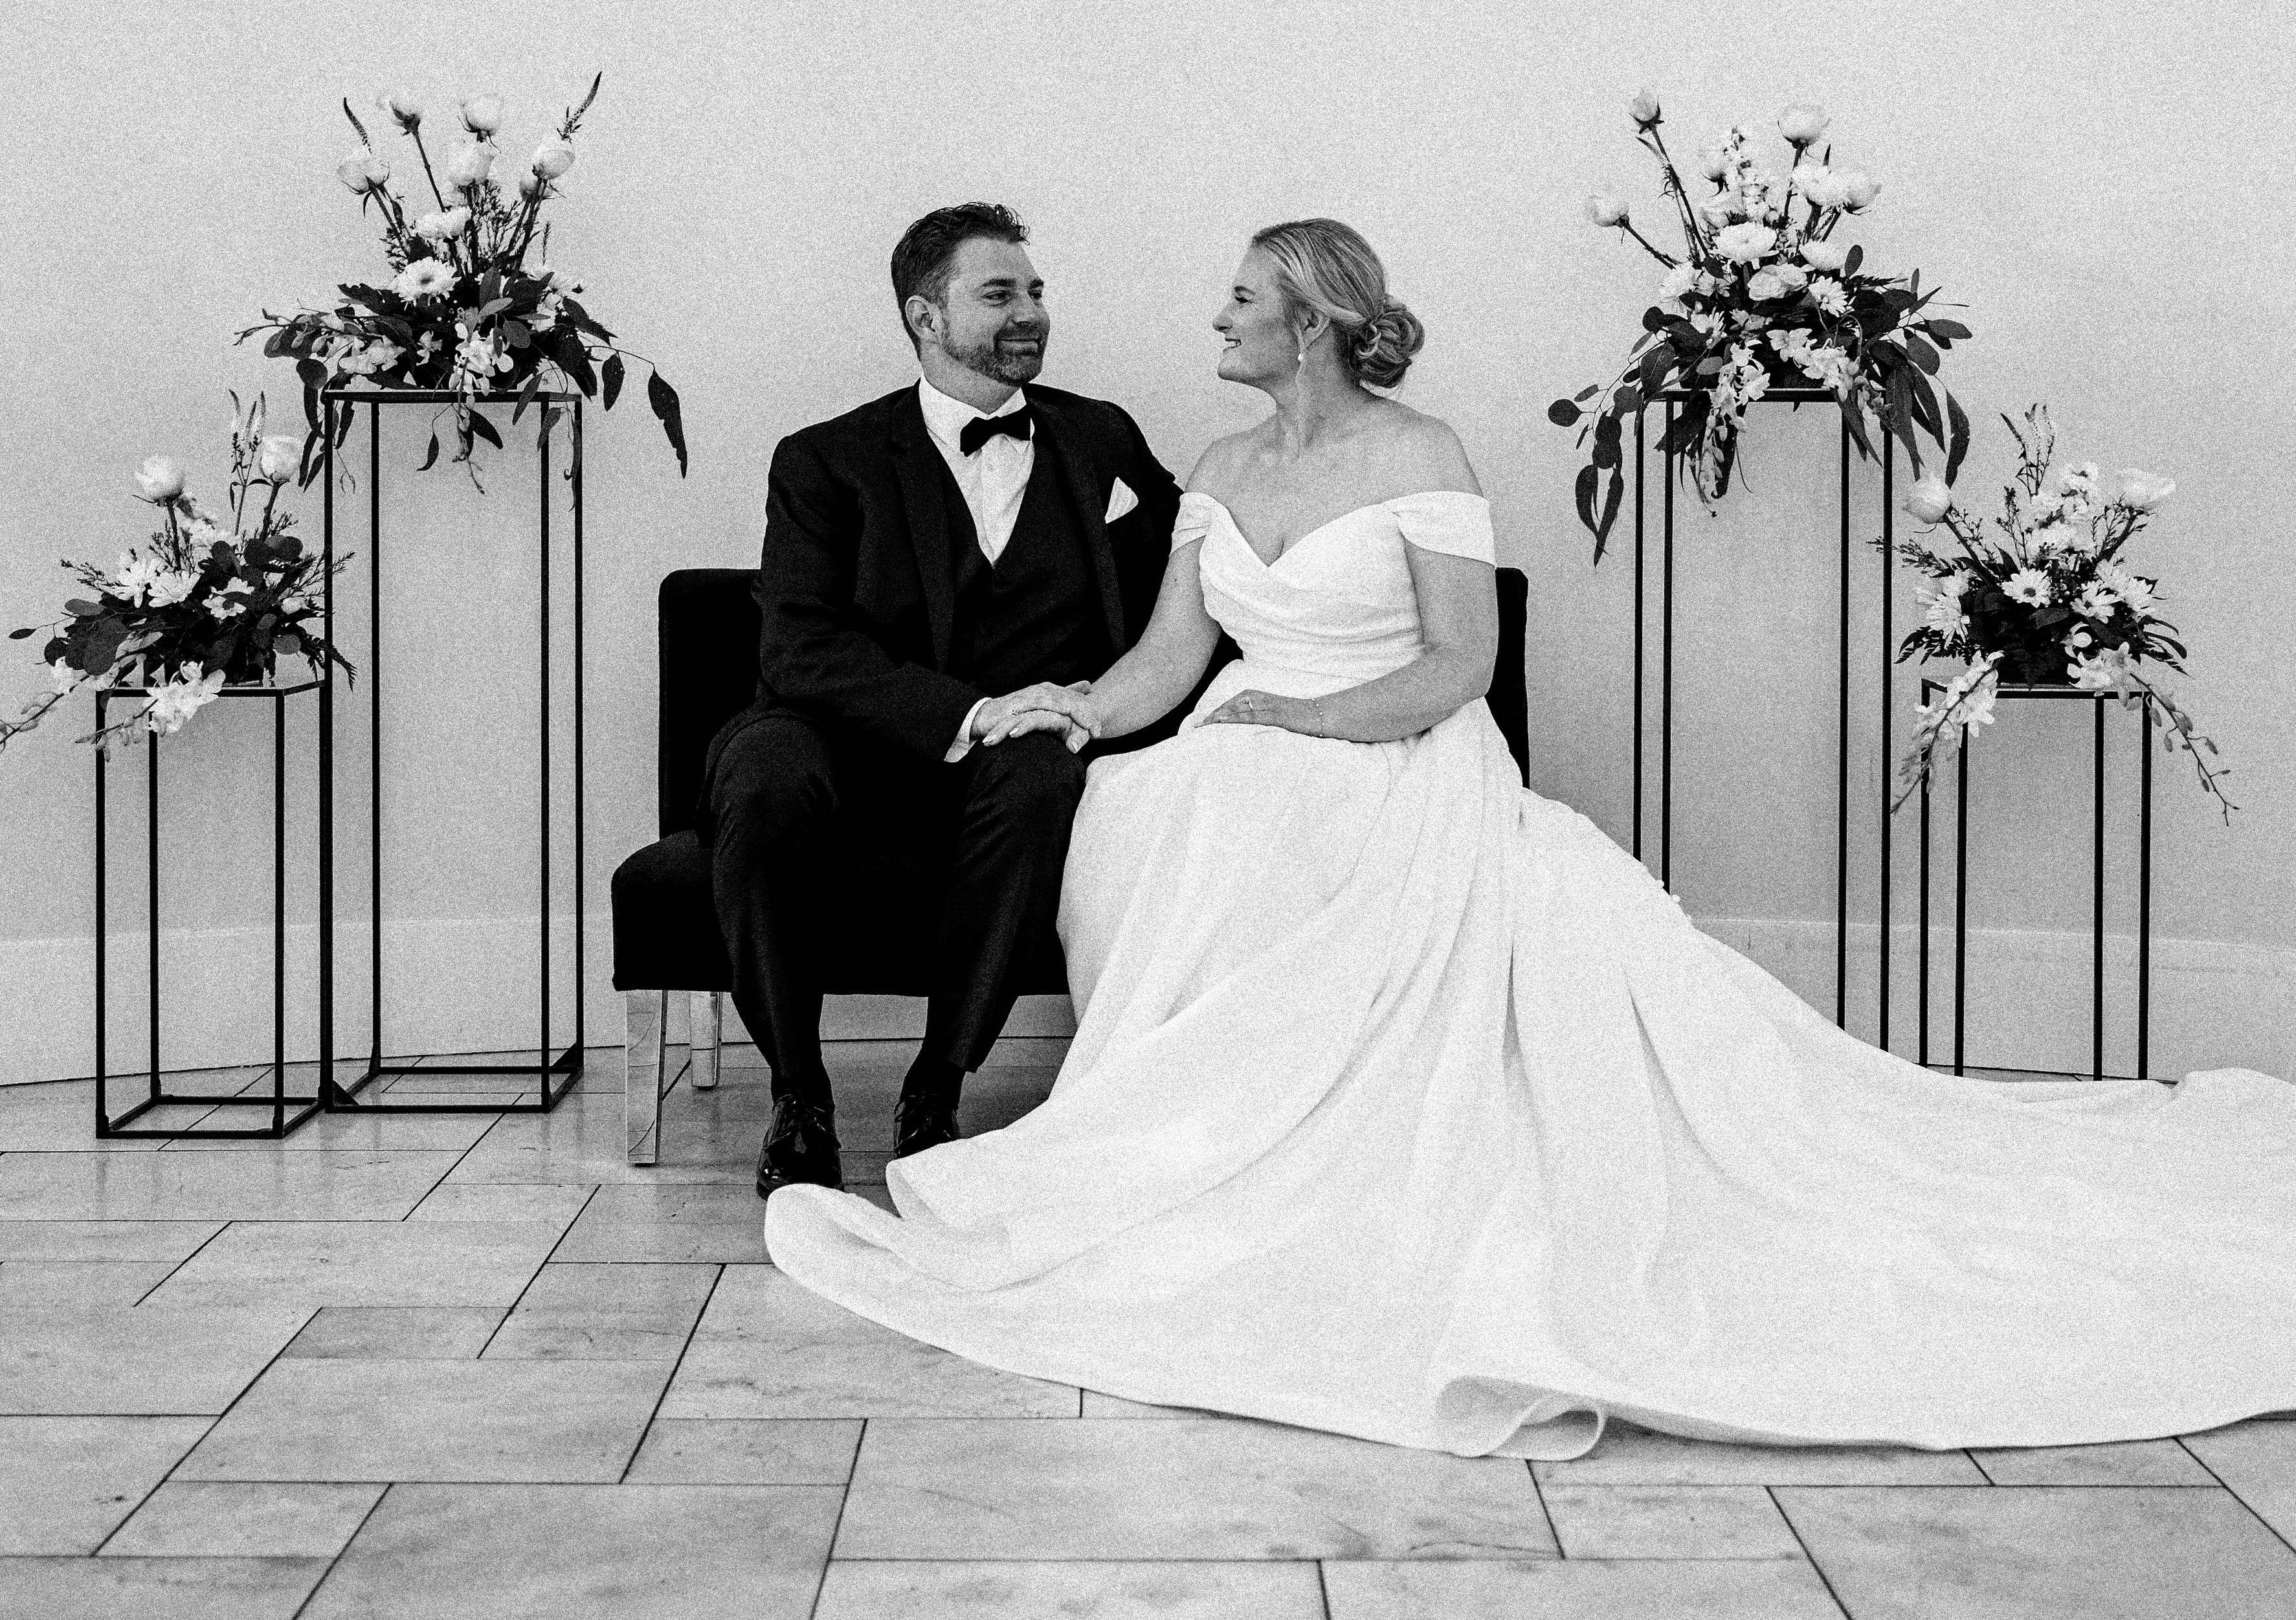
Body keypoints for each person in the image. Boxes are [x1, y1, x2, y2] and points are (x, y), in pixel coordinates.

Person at [763, 216, 2296, 1460]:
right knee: (1149, 808)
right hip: (1241, 745)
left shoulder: (1424, 455)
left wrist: (1299, 715)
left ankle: (1325, 1175)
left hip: (1392, 751)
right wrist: (1069, 711)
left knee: (1268, 827)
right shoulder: (1216, 470)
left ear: (1310, 321)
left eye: (1239, 298)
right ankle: (1182, 1152)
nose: (1212, 318)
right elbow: (1167, 659)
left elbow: (1456, 665)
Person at [701, 203, 1181, 1200]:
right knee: (762, 772)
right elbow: (799, 647)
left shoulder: (1100, 436)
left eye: (1035, 291)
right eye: (999, 293)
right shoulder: (824, 458)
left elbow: (1189, 566)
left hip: (1024, 753)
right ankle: (799, 1096)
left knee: (1044, 770)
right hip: (845, 745)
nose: (1031, 313)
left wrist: (1093, 696)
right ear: (926, 317)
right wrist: (970, 712)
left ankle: (937, 1088)